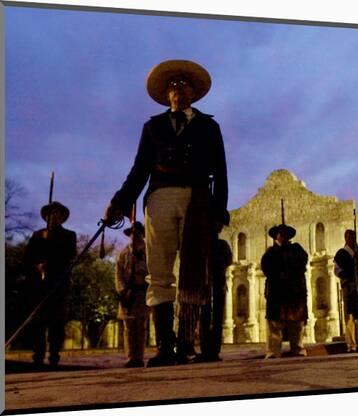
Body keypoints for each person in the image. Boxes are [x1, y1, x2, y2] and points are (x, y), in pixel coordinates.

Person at [103, 59, 229, 367]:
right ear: (166, 94)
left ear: (193, 92)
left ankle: (186, 342)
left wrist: (218, 212)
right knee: (158, 270)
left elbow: (221, 173)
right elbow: (139, 170)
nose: (178, 91)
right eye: (172, 86)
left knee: (193, 273)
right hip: (159, 197)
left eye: (183, 85)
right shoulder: (152, 127)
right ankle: (165, 347)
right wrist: (119, 202)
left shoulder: (209, 126)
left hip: (198, 198)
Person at [24, 201, 77, 368]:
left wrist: (51, 242)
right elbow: (27, 258)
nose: (53, 217)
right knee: (38, 321)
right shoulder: (37, 235)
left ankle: (54, 356)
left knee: (56, 322)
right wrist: (36, 266)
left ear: (61, 218)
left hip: (58, 284)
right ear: (46, 217)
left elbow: (69, 256)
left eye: (57, 214)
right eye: (50, 214)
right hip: (39, 285)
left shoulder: (69, 235)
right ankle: (37, 356)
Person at [260, 223, 309, 359]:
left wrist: (289, 264)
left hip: (294, 292)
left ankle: (298, 348)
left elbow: (302, 262)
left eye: (284, 234)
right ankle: (272, 351)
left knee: (296, 323)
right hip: (277, 293)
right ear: (276, 236)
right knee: (275, 324)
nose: (282, 236)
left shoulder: (296, 249)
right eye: (280, 234)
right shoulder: (270, 253)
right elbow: (266, 268)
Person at [196, 217, 233, 362]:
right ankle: (207, 349)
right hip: (207, 284)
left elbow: (228, 260)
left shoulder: (220, 245)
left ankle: (212, 349)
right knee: (206, 316)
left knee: (215, 317)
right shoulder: (205, 245)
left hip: (216, 284)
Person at [115, 221, 150, 368]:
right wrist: (123, 290)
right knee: (128, 327)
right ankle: (131, 357)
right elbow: (118, 274)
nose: (135, 237)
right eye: (132, 234)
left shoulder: (148, 252)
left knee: (140, 326)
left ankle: (139, 357)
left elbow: (150, 270)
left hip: (142, 291)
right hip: (128, 293)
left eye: (137, 234)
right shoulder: (123, 253)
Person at [334, 230, 358, 353]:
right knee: (349, 316)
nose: (351, 239)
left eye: (353, 236)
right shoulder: (341, 254)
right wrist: (348, 274)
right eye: (349, 236)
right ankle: (351, 345)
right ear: (345, 238)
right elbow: (337, 270)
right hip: (349, 286)